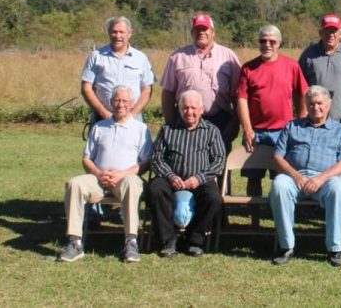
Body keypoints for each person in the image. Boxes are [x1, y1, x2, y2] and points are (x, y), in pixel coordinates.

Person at [58, 86, 152, 263]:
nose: (120, 104)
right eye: (117, 100)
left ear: (132, 104)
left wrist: (122, 174)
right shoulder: (100, 127)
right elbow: (86, 159)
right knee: (74, 183)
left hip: (125, 180)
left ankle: (131, 242)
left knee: (132, 183)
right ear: (110, 103)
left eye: (125, 101)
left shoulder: (140, 129)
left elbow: (146, 162)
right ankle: (75, 243)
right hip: (99, 179)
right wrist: (100, 174)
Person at [269, 85, 341, 267]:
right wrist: (296, 176)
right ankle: (286, 246)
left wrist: (321, 178)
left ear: (328, 105)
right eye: (312, 103)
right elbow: (277, 157)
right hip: (295, 178)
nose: (316, 107)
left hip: (326, 180)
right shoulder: (292, 126)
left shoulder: (339, 130)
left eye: (320, 103)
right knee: (279, 185)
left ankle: (334, 248)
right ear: (306, 105)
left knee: (339, 188)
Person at [236, 25, 308, 226]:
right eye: (263, 41)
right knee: (253, 177)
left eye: (272, 41)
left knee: (282, 179)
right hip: (255, 132)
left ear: (279, 43)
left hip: (283, 133)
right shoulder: (248, 68)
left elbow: (303, 93)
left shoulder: (291, 66)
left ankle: (281, 220)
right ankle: (255, 220)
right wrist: (247, 128)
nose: (267, 44)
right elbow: (241, 99)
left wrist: (300, 121)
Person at [147, 90, 226, 258]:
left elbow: (219, 160)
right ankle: (167, 241)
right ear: (179, 108)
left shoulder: (212, 131)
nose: (189, 112)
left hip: (200, 180)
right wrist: (170, 176)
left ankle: (193, 240)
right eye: (185, 108)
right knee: (155, 190)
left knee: (214, 198)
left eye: (193, 108)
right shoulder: (168, 129)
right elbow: (156, 158)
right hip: (170, 179)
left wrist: (199, 178)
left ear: (202, 109)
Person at [160, 13, 241, 152]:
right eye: (197, 29)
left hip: (219, 119)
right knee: (185, 161)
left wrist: (235, 123)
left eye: (205, 29)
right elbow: (168, 93)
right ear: (192, 32)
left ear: (213, 32)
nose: (201, 32)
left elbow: (238, 94)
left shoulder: (228, 56)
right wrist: (170, 123)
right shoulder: (178, 57)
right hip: (186, 119)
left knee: (218, 162)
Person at [80, 16, 155, 123]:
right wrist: (105, 114)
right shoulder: (96, 56)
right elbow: (86, 88)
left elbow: (147, 90)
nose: (117, 36)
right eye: (114, 32)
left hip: (133, 119)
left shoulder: (141, 58)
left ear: (129, 33)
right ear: (109, 33)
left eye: (121, 32)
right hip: (102, 118)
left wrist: (133, 115)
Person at [298, 14, 341, 126]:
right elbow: (298, 86)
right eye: (327, 30)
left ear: (340, 34)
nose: (331, 34)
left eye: (334, 31)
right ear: (320, 33)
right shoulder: (308, 54)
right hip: (314, 121)